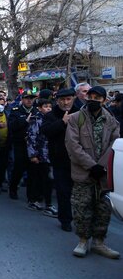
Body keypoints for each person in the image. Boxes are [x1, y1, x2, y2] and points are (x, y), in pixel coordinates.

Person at [65, 86, 120, 259]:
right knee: (81, 208)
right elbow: (73, 146)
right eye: (91, 96)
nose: (93, 100)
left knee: (103, 210)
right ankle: (82, 241)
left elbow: (114, 144)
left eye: (98, 97)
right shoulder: (75, 119)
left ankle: (99, 242)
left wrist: (102, 167)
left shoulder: (111, 121)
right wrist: (91, 166)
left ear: (104, 100)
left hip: (103, 175)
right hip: (83, 173)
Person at [41, 88, 78, 232]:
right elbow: (46, 131)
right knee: (63, 192)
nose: (65, 102)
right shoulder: (51, 115)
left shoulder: (81, 112)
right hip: (59, 160)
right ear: (57, 101)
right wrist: (62, 122)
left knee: (80, 193)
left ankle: (82, 220)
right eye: (62, 100)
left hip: (78, 160)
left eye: (68, 99)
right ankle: (65, 220)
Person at [26, 99, 57, 217]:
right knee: (39, 179)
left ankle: (45, 202)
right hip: (39, 155)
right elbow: (31, 137)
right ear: (39, 108)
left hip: (50, 154)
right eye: (45, 106)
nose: (48, 108)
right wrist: (33, 154)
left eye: (50, 106)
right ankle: (37, 201)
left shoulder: (52, 118)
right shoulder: (36, 119)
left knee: (47, 179)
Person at [8, 90, 38, 201]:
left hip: (33, 146)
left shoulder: (36, 111)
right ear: (22, 99)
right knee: (18, 169)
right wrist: (24, 121)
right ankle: (13, 189)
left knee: (32, 170)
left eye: (31, 98)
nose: (29, 100)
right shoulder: (15, 111)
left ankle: (31, 195)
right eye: (27, 98)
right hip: (20, 144)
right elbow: (11, 126)